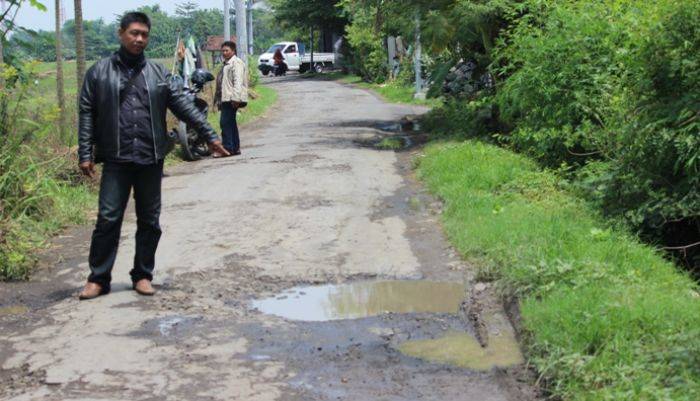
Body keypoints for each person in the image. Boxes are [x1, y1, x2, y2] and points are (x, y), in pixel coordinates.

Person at [77, 12, 229, 300]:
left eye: (144, 34)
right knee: (108, 219)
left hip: (150, 158)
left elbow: (184, 105)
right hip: (116, 159)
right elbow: (86, 112)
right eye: (134, 33)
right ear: (121, 33)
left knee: (150, 220)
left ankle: (143, 275)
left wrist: (210, 136)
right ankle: (98, 278)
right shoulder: (99, 72)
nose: (139, 39)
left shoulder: (159, 74)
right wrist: (85, 152)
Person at [214, 41, 248, 157]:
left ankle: (228, 148)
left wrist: (235, 98)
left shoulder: (236, 63)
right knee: (231, 123)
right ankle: (235, 148)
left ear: (233, 51)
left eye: (227, 50)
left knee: (225, 123)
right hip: (226, 98)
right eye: (223, 51)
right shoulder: (226, 63)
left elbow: (238, 82)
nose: (224, 53)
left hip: (232, 98)